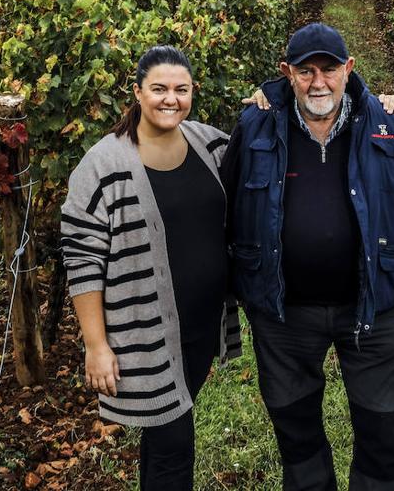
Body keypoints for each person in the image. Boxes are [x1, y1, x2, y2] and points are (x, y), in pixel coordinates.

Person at [222, 22, 394, 491]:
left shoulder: (388, 124)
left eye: (329, 69)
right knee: (296, 430)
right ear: (286, 72)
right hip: (283, 312)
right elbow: (229, 204)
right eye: (305, 71)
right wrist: (244, 286)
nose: (319, 82)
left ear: (349, 68)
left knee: (381, 428)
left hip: (374, 309)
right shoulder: (254, 123)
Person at [61, 45, 240, 491]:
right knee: (175, 442)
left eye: (180, 90)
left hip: (198, 329)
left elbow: (264, 155)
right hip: (143, 336)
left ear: (193, 92)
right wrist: (95, 346)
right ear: (137, 91)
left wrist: (264, 102)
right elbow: (81, 258)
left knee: (164, 439)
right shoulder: (103, 165)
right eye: (158, 88)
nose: (170, 99)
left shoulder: (210, 145)